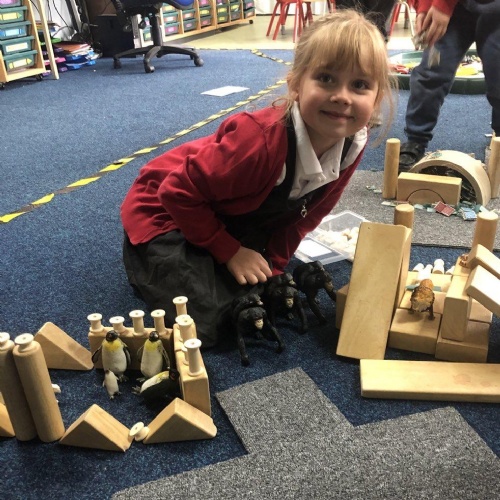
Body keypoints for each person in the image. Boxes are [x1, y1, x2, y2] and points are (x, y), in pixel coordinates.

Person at [120, 10, 395, 347]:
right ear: (296, 84)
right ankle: (147, 257)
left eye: (360, 85)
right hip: (165, 208)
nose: (342, 96)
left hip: (234, 207)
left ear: (377, 97)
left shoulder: (352, 141)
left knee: (262, 294)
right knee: (212, 321)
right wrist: (229, 251)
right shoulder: (258, 142)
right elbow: (176, 192)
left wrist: (274, 267)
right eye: (326, 78)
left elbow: (307, 217)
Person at [399, 0, 500, 170]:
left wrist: (443, 4)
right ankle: (415, 140)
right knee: (431, 72)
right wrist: (424, 6)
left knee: (497, 74)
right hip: (455, 10)